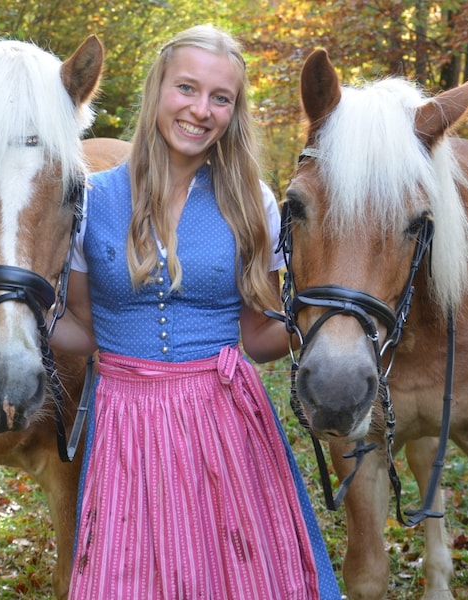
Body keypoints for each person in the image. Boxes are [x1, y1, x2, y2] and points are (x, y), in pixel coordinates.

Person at [52, 24, 341, 599]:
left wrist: (316, 316)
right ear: (158, 89)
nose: (200, 110)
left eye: (220, 97)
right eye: (187, 88)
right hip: (125, 425)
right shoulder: (91, 199)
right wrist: (13, 310)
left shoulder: (251, 202)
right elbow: (83, 330)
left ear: (234, 111)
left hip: (225, 420)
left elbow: (257, 335)